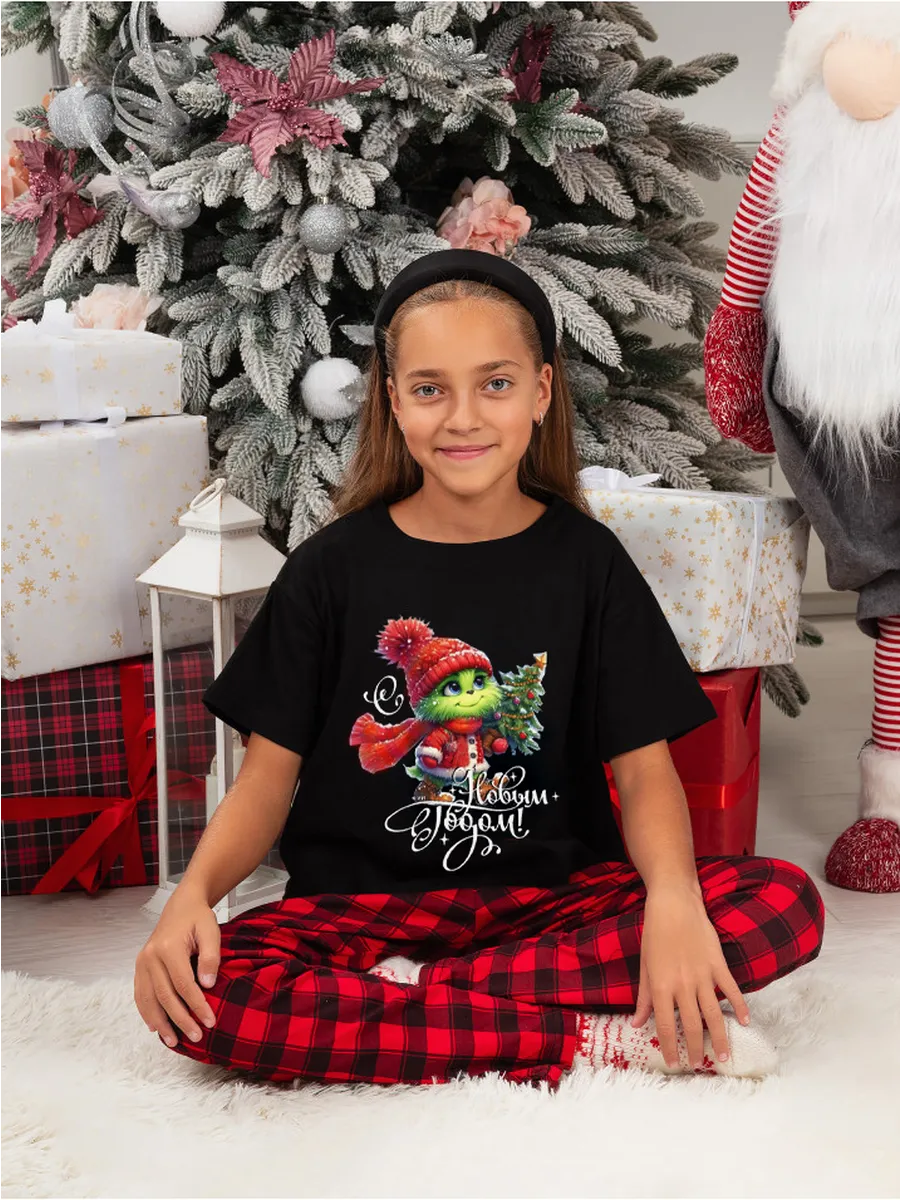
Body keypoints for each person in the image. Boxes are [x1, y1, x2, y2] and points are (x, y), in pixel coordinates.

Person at [134, 248, 825, 1089]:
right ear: (394, 401)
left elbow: (645, 776)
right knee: (212, 990)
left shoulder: (589, 564)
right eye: (430, 389)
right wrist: (194, 895)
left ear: (541, 392)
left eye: (495, 383)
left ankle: (405, 1006)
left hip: (550, 907)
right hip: (355, 917)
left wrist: (675, 903)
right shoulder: (328, 570)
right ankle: (585, 1036)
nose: (463, 417)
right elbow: (264, 783)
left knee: (781, 903)